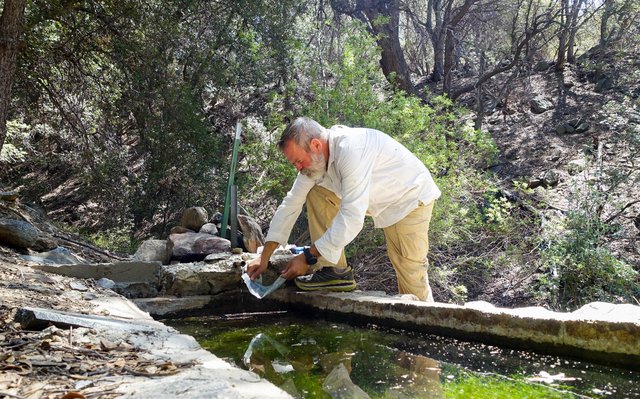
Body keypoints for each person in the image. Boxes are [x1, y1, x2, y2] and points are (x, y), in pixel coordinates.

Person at [246, 117, 441, 301]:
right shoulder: (314, 162)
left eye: (298, 161)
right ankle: (334, 271)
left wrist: (308, 257)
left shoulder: (351, 150)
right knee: (314, 191)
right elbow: (291, 203)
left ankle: (427, 328)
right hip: (375, 198)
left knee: (409, 272)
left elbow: (351, 218)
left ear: (315, 145)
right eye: (294, 163)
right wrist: (265, 258)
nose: (298, 167)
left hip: (408, 198)